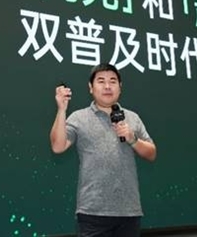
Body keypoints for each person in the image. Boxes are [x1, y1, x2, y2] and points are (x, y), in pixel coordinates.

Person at [50, 63, 157, 237]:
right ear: (91, 87)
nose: (107, 86)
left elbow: (152, 153)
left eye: (113, 81)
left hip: (129, 212)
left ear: (120, 87)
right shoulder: (79, 117)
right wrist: (62, 110)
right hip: (93, 212)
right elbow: (57, 146)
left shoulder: (132, 117)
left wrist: (133, 140)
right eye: (101, 81)